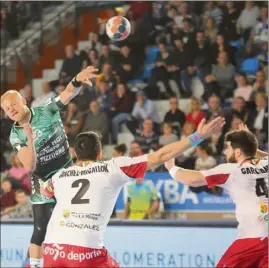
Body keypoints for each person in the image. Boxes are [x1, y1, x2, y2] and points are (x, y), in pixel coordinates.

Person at [40, 117, 225, 267]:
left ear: (75, 154)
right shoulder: (113, 167)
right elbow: (160, 156)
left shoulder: (59, 176)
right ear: (99, 154)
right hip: (85, 252)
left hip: (51, 251)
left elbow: (44, 191)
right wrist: (197, 136)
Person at [0, 66, 97, 268]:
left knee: (71, 227)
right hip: (42, 180)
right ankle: (33, 265)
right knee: (40, 229)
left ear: (23, 101)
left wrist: (77, 79)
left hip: (66, 175)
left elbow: (68, 93)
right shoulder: (16, 135)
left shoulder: (47, 110)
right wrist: (29, 138)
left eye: (13, 104)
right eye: (7, 110)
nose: (11, 110)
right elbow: (29, 164)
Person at [164, 123, 268, 268]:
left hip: (252, 238)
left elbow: (192, 179)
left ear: (237, 152)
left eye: (228, 148)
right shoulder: (266, 163)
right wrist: (251, 147)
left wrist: (172, 168)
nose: (225, 152)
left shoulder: (231, 170)